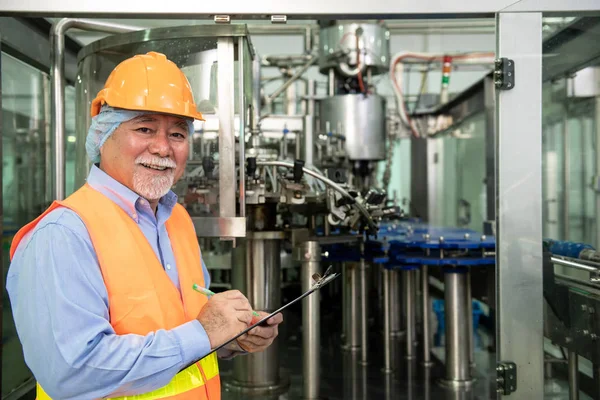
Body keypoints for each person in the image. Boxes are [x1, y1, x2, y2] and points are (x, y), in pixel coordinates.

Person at [6, 51, 282, 400]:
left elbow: (183, 330)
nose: (163, 148)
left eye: (178, 134)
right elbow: (73, 372)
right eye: (144, 128)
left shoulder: (176, 220)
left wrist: (230, 336)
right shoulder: (62, 234)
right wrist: (204, 332)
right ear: (103, 135)